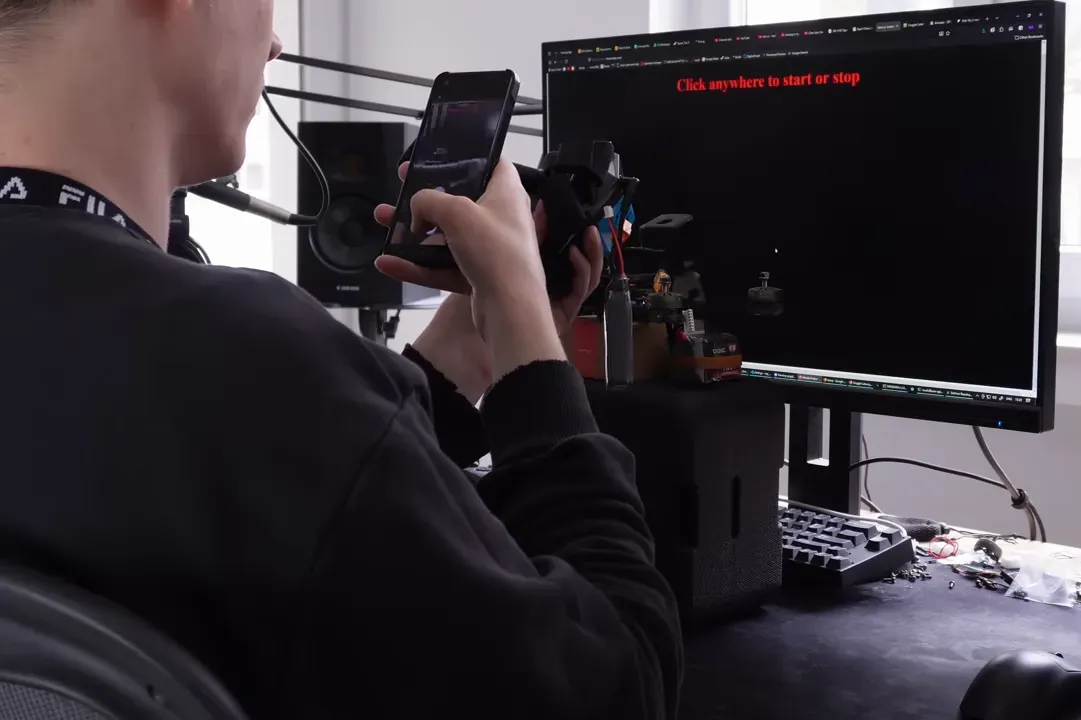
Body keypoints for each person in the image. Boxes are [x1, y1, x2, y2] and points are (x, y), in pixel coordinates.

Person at [0, 1, 682, 718]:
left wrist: (473, 342)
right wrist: (527, 331)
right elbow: (618, 686)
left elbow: (296, 514)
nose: (275, 41)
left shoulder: (221, 388)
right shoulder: (257, 367)